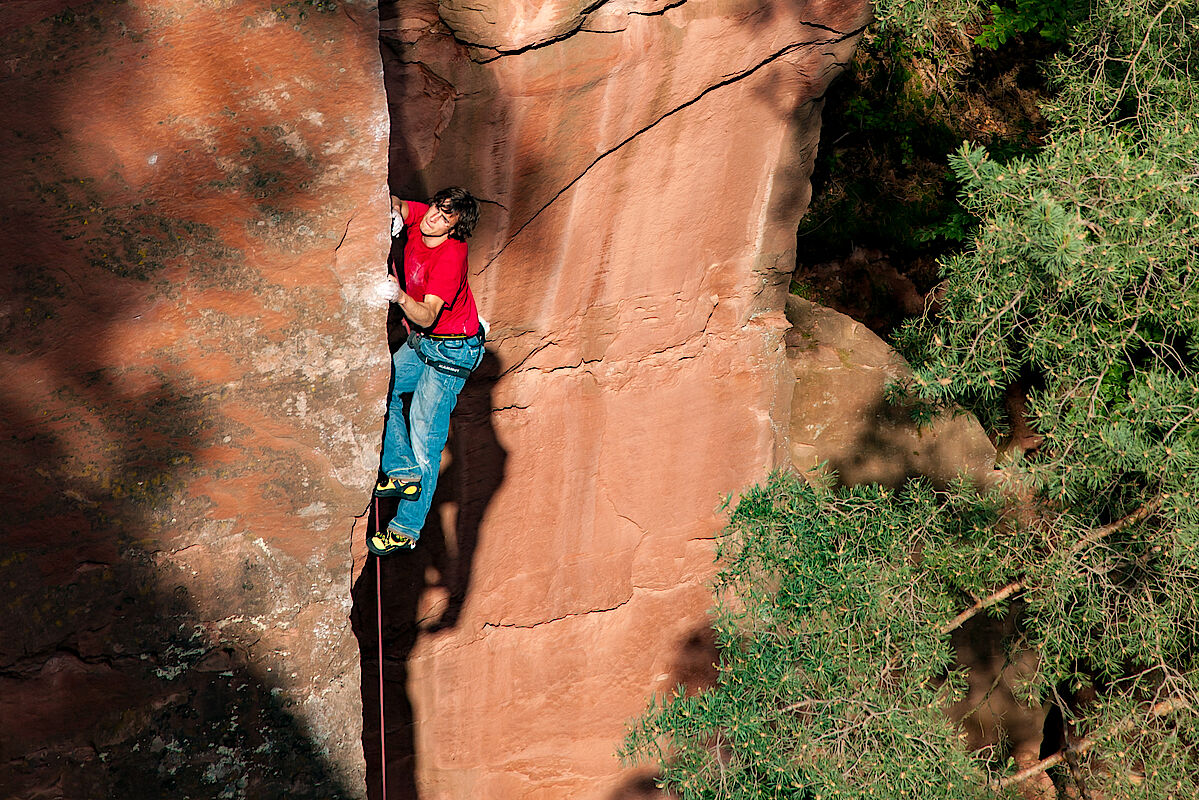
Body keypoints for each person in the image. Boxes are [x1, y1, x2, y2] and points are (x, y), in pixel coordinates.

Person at [368, 187, 484, 555]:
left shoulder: (450, 256)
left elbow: (429, 314)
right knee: (379, 389)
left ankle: (405, 527)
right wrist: (397, 214)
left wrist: (400, 296)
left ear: (455, 229)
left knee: (425, 440)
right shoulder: (424, 221)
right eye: (437, 207)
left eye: (446, 217)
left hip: (451, 353)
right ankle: (401, 472)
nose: (434, 216)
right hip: (425, 343)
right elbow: (396, 202)